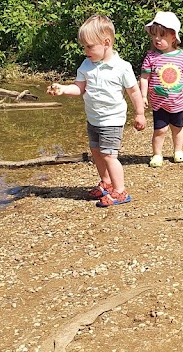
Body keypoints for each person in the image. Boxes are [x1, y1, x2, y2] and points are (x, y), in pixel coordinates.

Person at [47, 14, 146, 207]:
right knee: (96, 152)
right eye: (84, 46)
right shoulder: (86, 65)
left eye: (89, 46)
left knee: (110, 155)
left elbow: (133, 92)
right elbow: (79, 88)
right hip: (93, 119)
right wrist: (63, 89)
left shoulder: (122, 67)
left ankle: (120, 191)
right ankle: (106, 183)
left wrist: (140, 113)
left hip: (112, 119)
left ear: (106, 42)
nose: (85, 51)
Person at [139, 11, 183, 168]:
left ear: (173, 37)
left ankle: (178, 150)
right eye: (154, 36)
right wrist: (143, 96)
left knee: (177, 128)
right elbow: (144, 77)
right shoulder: (151, 57)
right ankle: (157, 154)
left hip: (178, 102)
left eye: (161, 36)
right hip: (159, 103)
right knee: (160, 129)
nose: (157, 39)